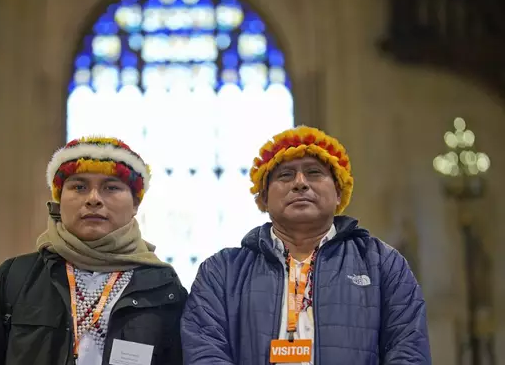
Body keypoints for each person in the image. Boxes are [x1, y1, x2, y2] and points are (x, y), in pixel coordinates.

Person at [181, 126, 431, 364]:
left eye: (314, 172)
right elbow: (204, 351)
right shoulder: (221, 272)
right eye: (285, 175)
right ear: (264, 197)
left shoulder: (383, 264)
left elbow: (408, 351)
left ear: (338, 192)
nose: (300, 182)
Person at [0, 136, 188, 365]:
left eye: (111, 188)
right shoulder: (14, 278)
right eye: (79, 186)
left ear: (136, 203)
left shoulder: (162, 288)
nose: (93, 199)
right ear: (59, 198)